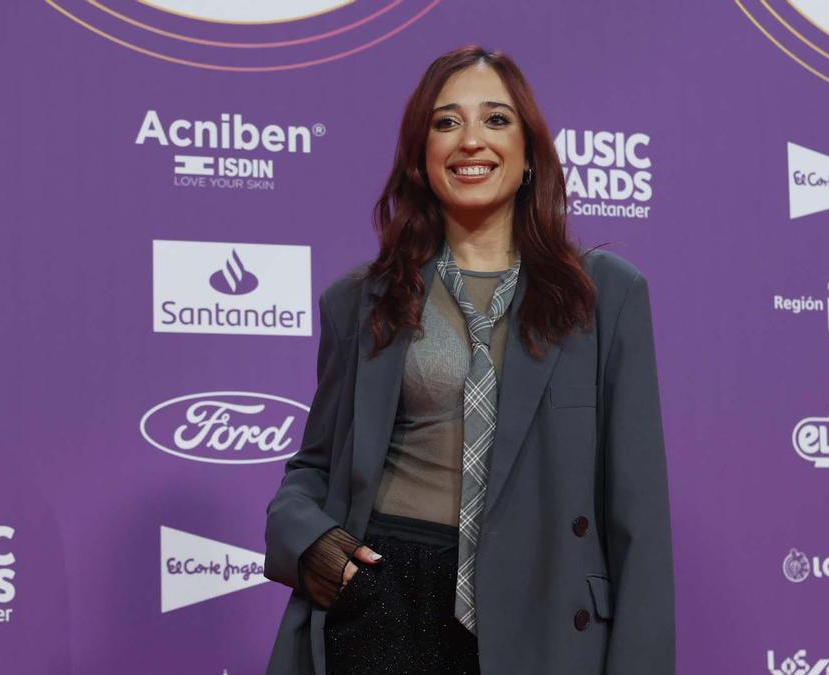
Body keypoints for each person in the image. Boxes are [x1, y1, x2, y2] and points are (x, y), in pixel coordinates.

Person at [263, 45, 674, 675]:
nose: (471, 141)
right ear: (421, 158)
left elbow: (637, 516)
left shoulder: (605, 296)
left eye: (497, 120)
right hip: (384, 607)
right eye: (446, 122)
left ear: (532, 152)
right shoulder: (362, 300)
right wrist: (313, 544)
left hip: (543, 620)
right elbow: (313, 467)